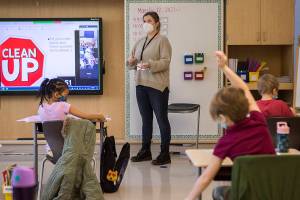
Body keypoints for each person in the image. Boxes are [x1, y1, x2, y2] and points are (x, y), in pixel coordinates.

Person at [185, 51, 275, 200]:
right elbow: (244, 89)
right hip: (273, 192)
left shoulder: (226, 141)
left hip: (247, 195)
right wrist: (224, 67)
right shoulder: (259, 121)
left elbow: (206, 178)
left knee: (219, 191)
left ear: (222, 117)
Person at [127, 11, 172, 165]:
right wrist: (131, 61)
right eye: (144, 20)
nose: (146, 23)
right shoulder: (140, 41)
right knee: (146, 119)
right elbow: (132, 63)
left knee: (161, 119)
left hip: (157, 86)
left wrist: (150, 64)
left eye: (150, 20)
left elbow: (166, 61)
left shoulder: (162, 40)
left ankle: (165, 153)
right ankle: (145, 151)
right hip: (141, 84)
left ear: (157, 23)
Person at [37, 78, 105, 154]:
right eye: (65, 95)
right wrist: (99, 115)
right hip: (68, 151)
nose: (66, 97)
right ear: (56, 94)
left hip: (51, 151)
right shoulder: (63, 105)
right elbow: (85, 116)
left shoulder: (41, 107)